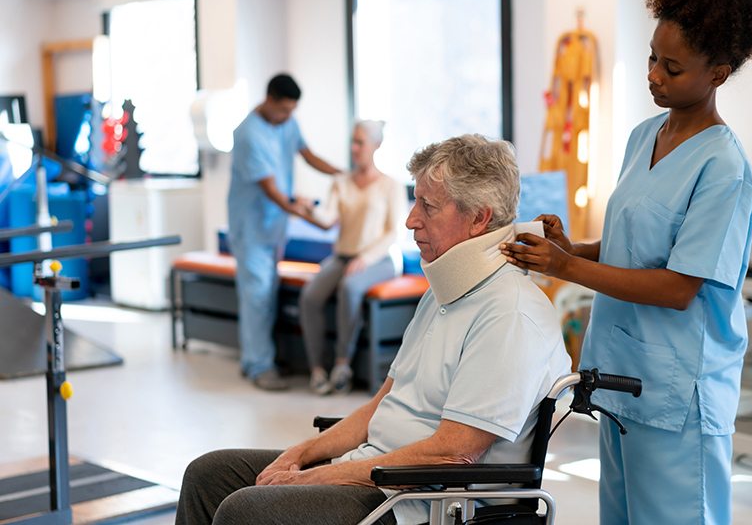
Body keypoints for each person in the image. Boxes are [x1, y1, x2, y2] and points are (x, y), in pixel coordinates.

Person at [501, 0, 752, 525]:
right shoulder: (642, 136)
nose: (654, 75)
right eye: (652, 58)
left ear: (719, 74)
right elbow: (634, 246)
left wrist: (566, 270)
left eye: (672, 68)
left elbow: (679, 284)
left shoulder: (724, 169)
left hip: (679, 390)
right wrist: (568, 248)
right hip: (623, 377)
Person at [176, 134, 571, 525]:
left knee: (245, 512)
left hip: (419, 503)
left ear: (479, 218)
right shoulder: (444, 294)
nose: (411, 219)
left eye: (427, 206)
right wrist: (300, 453)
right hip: (374, 472)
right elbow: (381, 404)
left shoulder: (511, 314)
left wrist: (320, 477)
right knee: (209, 476)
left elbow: (454, 455)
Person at [227, 73, 341, 391]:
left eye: (293, 110)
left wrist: (344, 175)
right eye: (284, 110)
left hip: (274, 226)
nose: (289, 116)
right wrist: (302, 211)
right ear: (269, 100)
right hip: (251, 226)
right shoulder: (249, 134)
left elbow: (308, 155)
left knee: (267, 293)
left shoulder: (286, 124)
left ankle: (257, 360)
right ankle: (259, 366)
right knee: (257, 296)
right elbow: (271, 190)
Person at [298, 120, 407, 395]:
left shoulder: (390, 185)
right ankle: (317, 370)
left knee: (350, 287)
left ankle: (342, 365)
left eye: (360, 142)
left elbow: (395, 233)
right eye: (353, 141)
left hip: (381, 259)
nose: (354, 148)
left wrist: (366, 258)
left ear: (376, 145)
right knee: (310, 297)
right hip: (343, 257)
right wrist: (309, 209)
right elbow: (327, 220)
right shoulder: (340, 182)